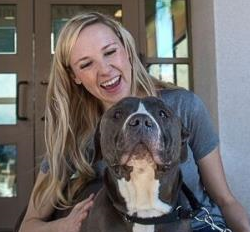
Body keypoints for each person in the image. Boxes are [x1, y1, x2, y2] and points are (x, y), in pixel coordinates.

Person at [19, 12, 250, 232]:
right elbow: (29, 224)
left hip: (197, 226)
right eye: (86, 64)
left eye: (109, 52)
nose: (105, 70)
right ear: (75, 77)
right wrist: (64, 226)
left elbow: (225, 199)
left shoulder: (183, 107)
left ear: (127, 51)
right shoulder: (78, 135)